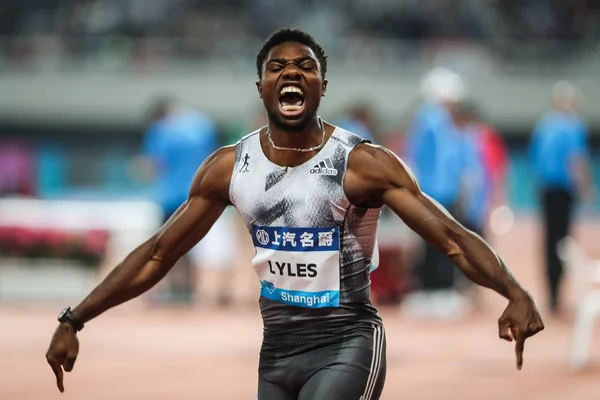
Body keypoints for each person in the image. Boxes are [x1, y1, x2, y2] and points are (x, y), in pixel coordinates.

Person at [46, 29, 544, 400]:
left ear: (322, 87)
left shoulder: (361, 164)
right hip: (277, 354)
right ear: (261, 86)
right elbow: (158, 254)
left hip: (348, 342)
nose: (290, 72)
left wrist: (514, 291)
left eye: (305, 67)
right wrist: (76, 318)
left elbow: (453, 237)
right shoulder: (230, 168)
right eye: (277, 66)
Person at [401, 67, 471, 319]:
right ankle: (437, 291)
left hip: (436, 192)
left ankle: (434, 290)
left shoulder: (435, 120)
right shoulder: (433, 119)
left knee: (435, 243)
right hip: (435, 193)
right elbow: (427, 159)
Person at [135, 97, 221, 304]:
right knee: (191, 243)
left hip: (170, 197)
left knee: (166, 246)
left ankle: (172, 288)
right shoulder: (203, 124)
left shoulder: (162, 129)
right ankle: (189, 288)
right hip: (198, 195)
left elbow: (153, 165)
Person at [529, 81, 595, 315]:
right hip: (563, 190)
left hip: (547, 189)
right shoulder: (572, 126)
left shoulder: (544, 125)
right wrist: (585, 188)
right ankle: (558, 294)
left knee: (549, 241)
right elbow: (576, 160)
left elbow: (536, 161)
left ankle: (552, 294)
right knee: (562, 240)